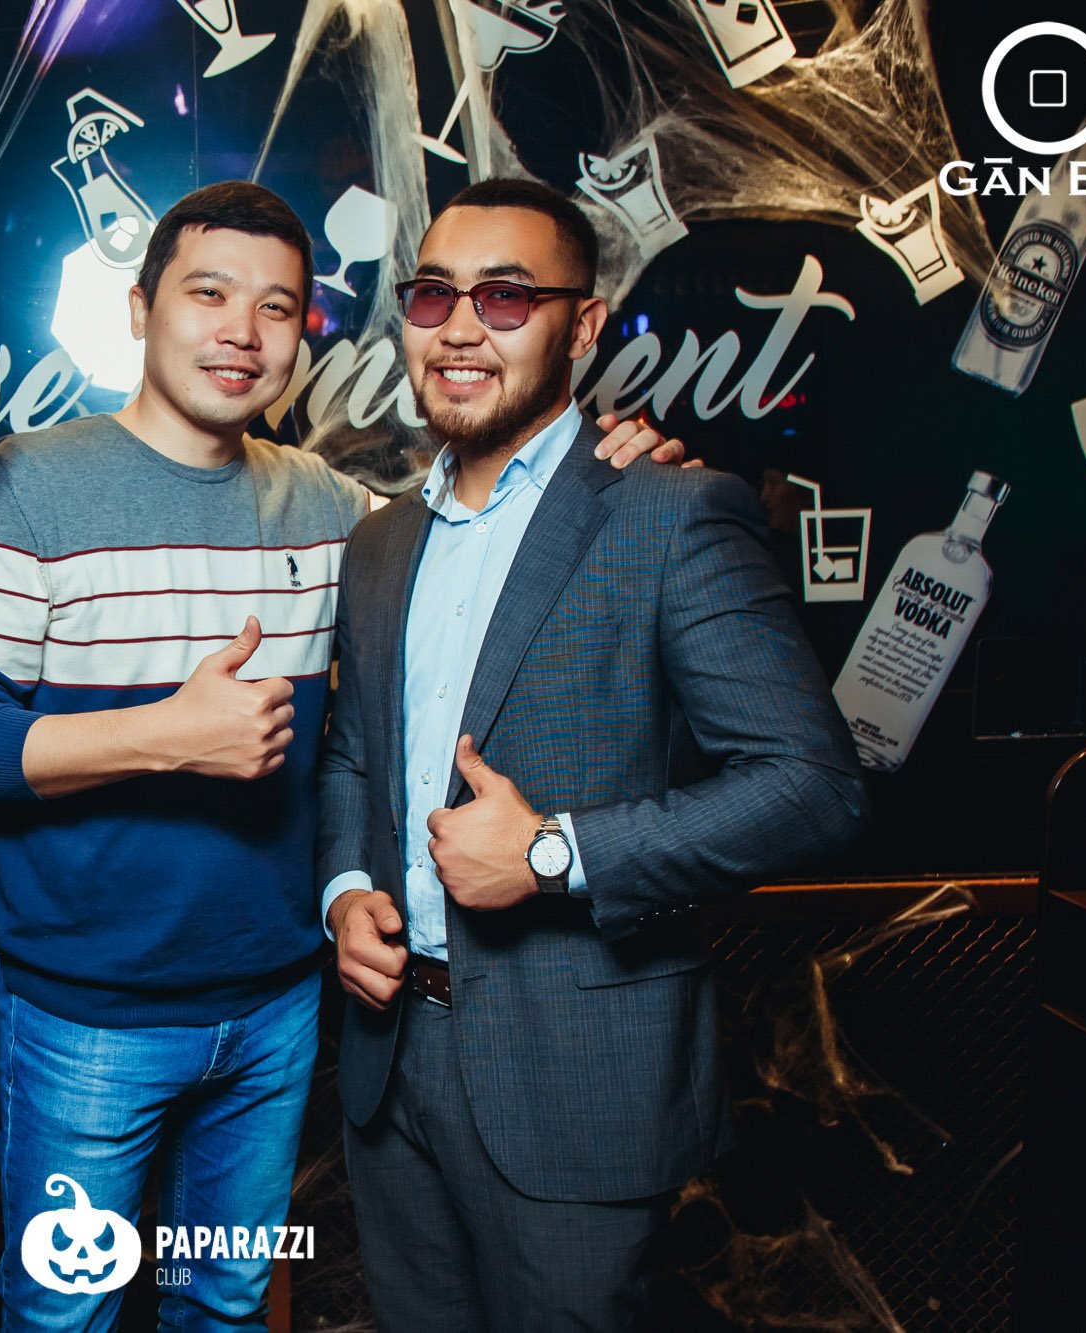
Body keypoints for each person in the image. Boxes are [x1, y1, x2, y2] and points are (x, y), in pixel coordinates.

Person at [0, 182, 682, 1333]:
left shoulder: (329, 509)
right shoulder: (25, 488)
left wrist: (607, 469)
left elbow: (487, 532)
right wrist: (160, 736)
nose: (241, 331)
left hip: (273, 1010)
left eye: (275, 308)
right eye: (207, 294)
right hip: (86, 1018)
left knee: (221, 1301)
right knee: (64, 1312)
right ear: (138, 309)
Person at [319, 177, 869, 1332]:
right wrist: (347, 892)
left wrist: (550, 855)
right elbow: (356, 760)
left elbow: (811, 786)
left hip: (572, 1075)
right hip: (388, 1061)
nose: (458, 327)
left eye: (504, 297)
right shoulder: (378, 544)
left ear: (581, 326)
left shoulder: (669, 514)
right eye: (431, 295)